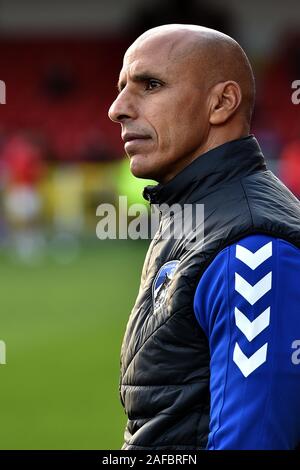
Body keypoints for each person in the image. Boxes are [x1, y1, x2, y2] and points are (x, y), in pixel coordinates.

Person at [108, 24, 300, 450]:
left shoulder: (254, 248)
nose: (117, 108)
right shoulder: (192, 212)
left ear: (221, 103)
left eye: (150, 85)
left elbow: (255, 441)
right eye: (122, 88)